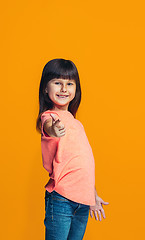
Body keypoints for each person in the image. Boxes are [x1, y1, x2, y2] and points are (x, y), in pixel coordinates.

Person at [36, 58, 109, 240]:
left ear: (76, 90)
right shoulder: (49, 116)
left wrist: (92, 195)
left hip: (82, 203)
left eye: (69, 83)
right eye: (57, 83)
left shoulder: (77, 123)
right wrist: (55, 129)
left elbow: (81, 164)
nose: (63, 89)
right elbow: (48, 126)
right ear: (46, 88)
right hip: (61, 200)